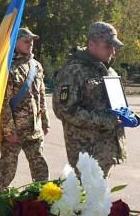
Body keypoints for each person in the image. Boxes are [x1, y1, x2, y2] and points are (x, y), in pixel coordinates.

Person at [53, 21, 129, 177]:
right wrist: (106, 120)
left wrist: (126, 115)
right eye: (108, 46)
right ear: (91, 44)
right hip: (86, 151)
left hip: (106, 149)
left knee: (99, 196)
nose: (113, 52)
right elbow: (65, 110)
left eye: (114, 47)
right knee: (84, 196)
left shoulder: (109, 70)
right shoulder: (74, 70)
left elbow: (115, 104)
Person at [0, 28, 49, 192]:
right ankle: (2, 201)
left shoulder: (36, 66)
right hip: (14, 131)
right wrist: (8, 130)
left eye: (32, 41)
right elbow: (3, 103)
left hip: (34, 129)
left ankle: (43, 199)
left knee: (40, 167)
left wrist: (45, 121)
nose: (30, 44)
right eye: (26, 41)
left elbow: (41, 95)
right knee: (7, 169)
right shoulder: (8, 67)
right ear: (15, 42)